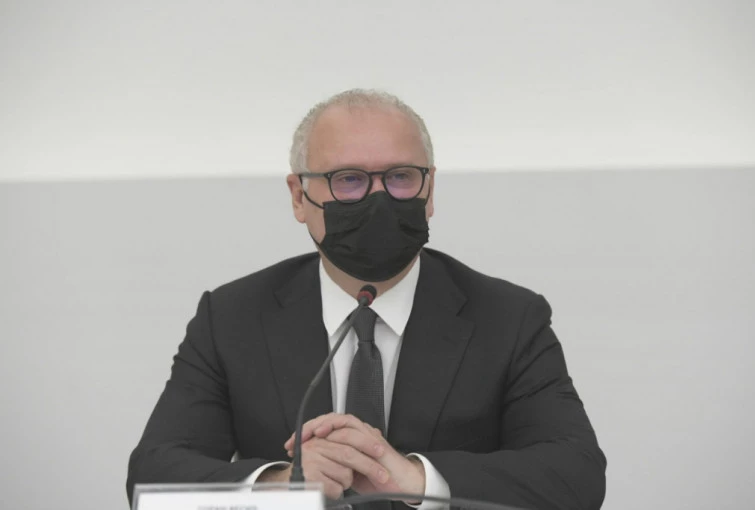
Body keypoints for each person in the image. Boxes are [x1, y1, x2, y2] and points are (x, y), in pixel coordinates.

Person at [126, 89, 606, 510]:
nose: (379, 199)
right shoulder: (231, 318)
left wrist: (416, 480)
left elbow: (577, 476)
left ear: (430, 190)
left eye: (400, 177)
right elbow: (151, 481)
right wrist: (282, 485)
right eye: (348, 179)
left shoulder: (509, 317)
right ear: (298, 196)